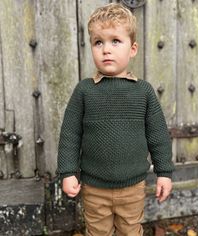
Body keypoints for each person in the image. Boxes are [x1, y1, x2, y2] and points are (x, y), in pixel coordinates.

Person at [57, 3, 174, 236]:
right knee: (97, 232)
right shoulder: (84, 91)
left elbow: (158, 135)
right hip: (94, 187)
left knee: (131, 231)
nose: (106, 49)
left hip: (133, 186)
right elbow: (70, 134)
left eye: (115, 41)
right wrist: (68, 171)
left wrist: (164, 172)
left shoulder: (143, 91)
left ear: (132, 48)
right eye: (98, 42)